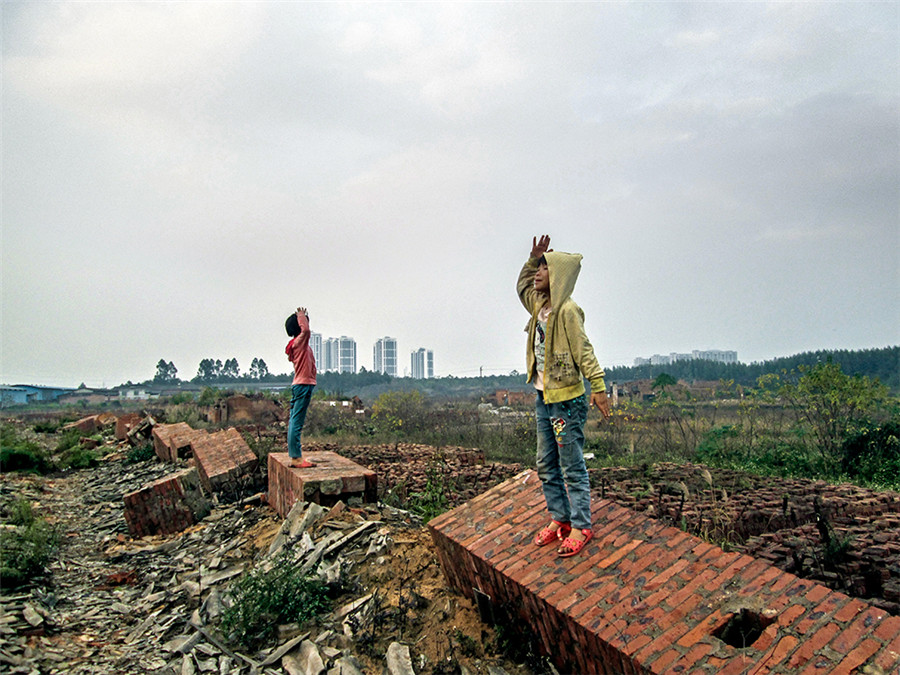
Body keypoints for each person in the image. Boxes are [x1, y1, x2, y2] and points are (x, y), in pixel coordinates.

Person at [517, 235, 611, 557]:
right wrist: (533, 258)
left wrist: (598, 386)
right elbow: (522, 286)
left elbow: (584, 350)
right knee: (546, 463)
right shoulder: (539, 306)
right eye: (538, 267)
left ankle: (582, 525)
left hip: (566, 403)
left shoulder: (568, 310)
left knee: (571, 464)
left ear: (557, 275)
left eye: (545, 268)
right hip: (543, 398)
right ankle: (560, 517)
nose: (538, 272)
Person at [285, 307, 317, 468]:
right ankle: (296, 458)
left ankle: (295, 456)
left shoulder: (297, 345)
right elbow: (306, 331)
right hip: (303, 385)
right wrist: (301, 315)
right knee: (296, 422)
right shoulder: (299, 343)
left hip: (300, 385)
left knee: (294, 421)